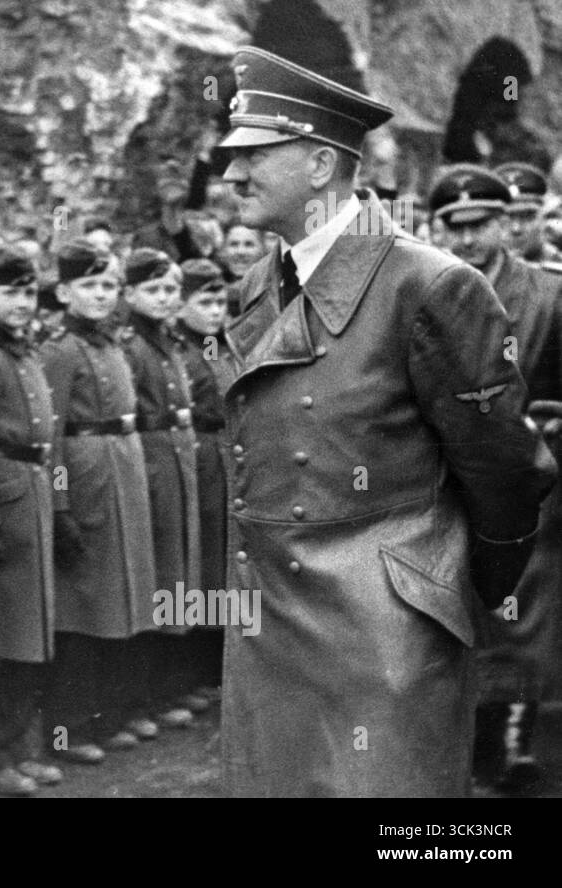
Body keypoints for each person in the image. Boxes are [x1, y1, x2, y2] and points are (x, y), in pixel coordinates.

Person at [218, 45, 555, 796]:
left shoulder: (430, 287)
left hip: (382, 644)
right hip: (269, 627)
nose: (231, 174)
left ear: (320, 166)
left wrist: (437, 592)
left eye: (254, 154)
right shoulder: (256, 288)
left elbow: (508, 471)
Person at [429, 164, 562, 792]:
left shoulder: (547, 294)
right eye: (451, 227)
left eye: (479, 224)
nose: (465, 240)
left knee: (520, 610)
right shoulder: (421, 288)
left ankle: (508, 746)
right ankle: (454, 743)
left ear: (506, 223)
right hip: (442, 478)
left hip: (524, 479)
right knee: (451, 610)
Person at [40, 239, 158, 763]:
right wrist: (61, 506)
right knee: (84, 608)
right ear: (64, 291)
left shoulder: (113, 345)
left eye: (109, 285)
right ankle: (72, 728)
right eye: (89, 285)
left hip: (122, 475)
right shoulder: (60, 350)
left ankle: (112, 714)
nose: (101, 295)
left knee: (123, 599)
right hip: (87, 480)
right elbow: (53, 435)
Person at [0, 245, 63, 795]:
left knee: (30, 632)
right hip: (4, 495)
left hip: (34, 491)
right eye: (9, 292)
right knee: (0, 640)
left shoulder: (23, 352)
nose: (22, 302)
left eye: (28, 291)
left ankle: (21, 745)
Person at [120, 249, 205, 727]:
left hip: (176, 456)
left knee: (177, 577)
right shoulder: (130, 344)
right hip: (148, 460)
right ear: (129, 294)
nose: (164, 298)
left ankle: (170, 686)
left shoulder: (167, 341)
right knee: (152, 580)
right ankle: (139, 698)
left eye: (171, 289)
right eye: (152, 290)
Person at [172, 258, 233, 702]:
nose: (216, 310)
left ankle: (220, 664)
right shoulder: (179, 351)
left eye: (220, 301)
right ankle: (194, 670)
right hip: (201, 455)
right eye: (205, 301)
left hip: (229, 456)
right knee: (203, 561)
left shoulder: (221, 346)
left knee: (226, 559)